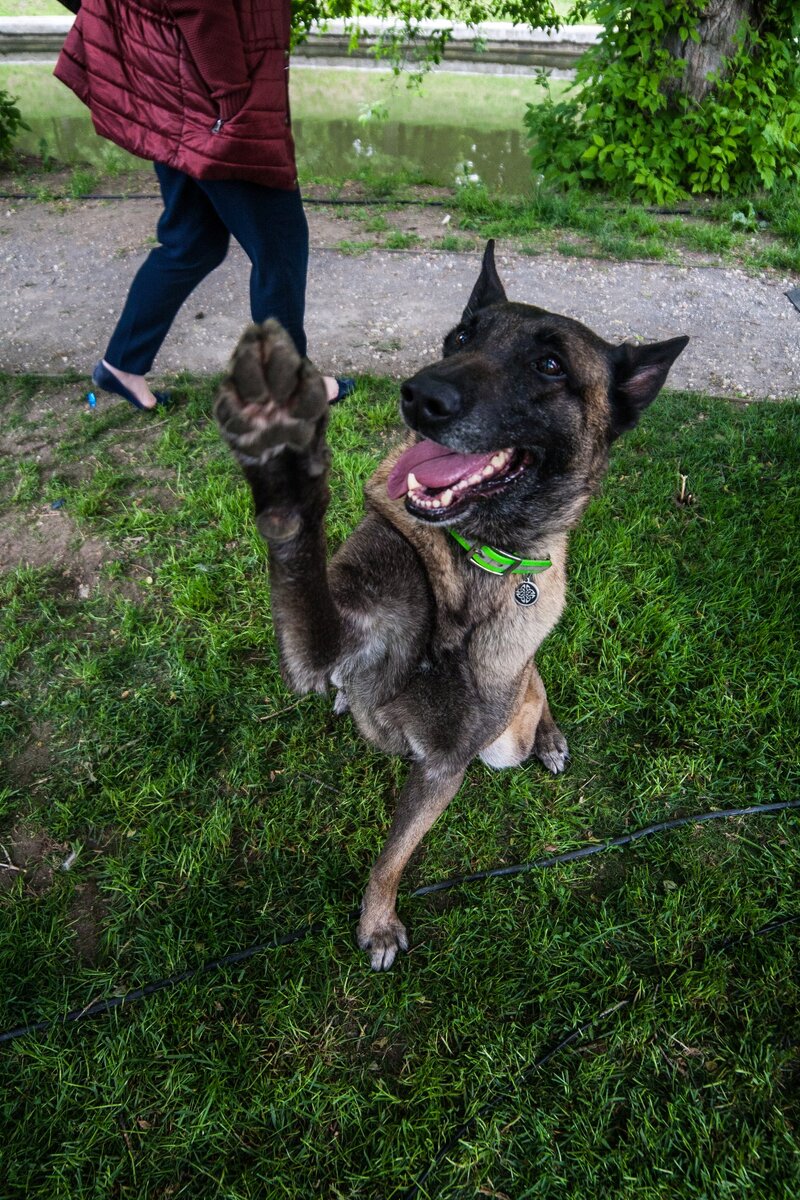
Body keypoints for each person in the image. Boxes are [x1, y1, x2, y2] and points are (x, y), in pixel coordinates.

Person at [54, 0, 353, 411]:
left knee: (193, 241)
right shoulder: (222, 91)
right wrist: (229, 93)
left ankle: (121, 364)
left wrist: (141, 24)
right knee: (279, 244)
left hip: (174, 84)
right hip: (212, 93)